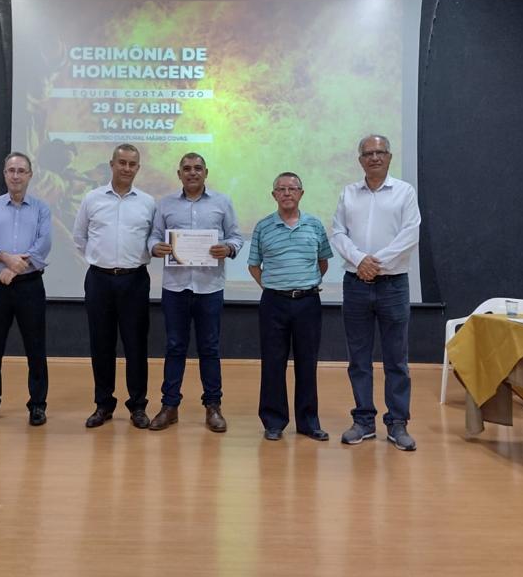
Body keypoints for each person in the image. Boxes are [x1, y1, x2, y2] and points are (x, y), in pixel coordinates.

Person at [331, 135, 421, 450]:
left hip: (393, 285)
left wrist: (374, 263)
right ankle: (363, 421)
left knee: (396, 359)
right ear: (360, 160)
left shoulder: (404, 192)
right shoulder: (348, 193)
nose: (374, 157)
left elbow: (410, 234)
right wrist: (360, 261)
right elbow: (338, 233)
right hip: (355, 284)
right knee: (358, 358)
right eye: (368, 153)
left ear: (389, 157)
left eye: (380, 152)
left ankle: (397, 423)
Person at [148, 153, 243, 433]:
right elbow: (154, 237)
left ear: (206, 172)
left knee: (209, 348)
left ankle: (213, 406)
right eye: (187, 169)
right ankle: (169, 406)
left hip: (209, 287)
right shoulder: (165, 204)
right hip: (175, 287)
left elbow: (235, 237)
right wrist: (155, 248)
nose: (192, 173)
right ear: (179, 174)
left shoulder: (222, 202)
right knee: (174, 347)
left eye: (197, 168)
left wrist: (228, 248)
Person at [73, 143, 156, 429]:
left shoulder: (148, 203)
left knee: (136, 345)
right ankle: (103, 405)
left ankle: (138, 406)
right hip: (100, 280)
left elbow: (154, 238)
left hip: (135, 281)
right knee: (101, 344)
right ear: (112, 164)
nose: (126, 168)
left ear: (138, 168)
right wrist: (101, 260)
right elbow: (79, 237)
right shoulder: (92, 199)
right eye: (122, 163)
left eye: (132, 164)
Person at [247, 172, 333, 442]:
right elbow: (253, 265)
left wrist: (303, 283)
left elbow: (323, 262)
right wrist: (273, 286)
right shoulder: (263, 227)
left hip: (308, 302)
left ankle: (308, 422)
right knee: (273, 363)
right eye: (281, 189)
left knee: (307, 363)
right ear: (274, 195)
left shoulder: (315, 225)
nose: (287, 193)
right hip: (274, 303)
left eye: (292, 188)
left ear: (301, 193)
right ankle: (274, 422)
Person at [0, 152, 52, 427]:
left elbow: (43, 245)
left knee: (36, 347)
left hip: (30, 286)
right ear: (4, 174)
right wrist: (6, 259)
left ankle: (38, 405)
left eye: (21, 171)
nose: (16, 175)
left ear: (30, 175)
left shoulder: (41, 209)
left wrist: (15, 269)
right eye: (11, 170)